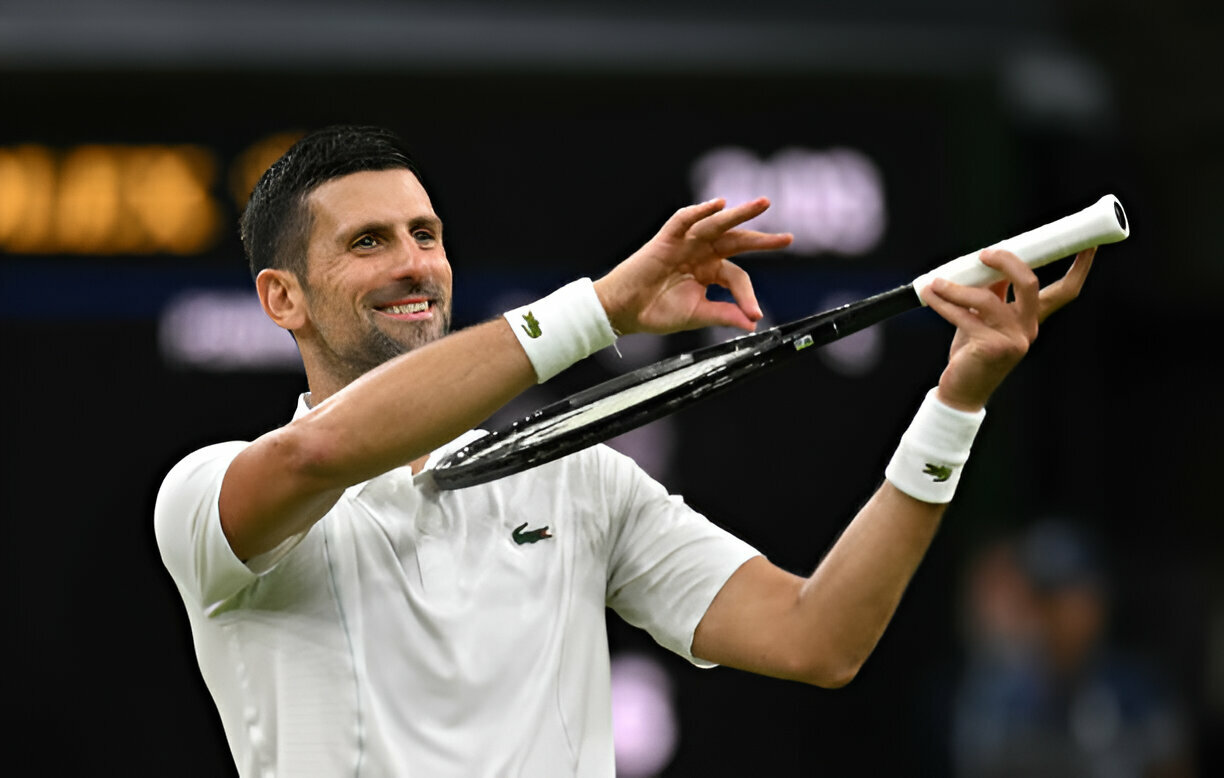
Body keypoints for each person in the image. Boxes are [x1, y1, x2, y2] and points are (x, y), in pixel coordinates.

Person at [154, 125, 1097, 776]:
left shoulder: (578, 481)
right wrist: (599, 308)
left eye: (426, 234)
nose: (414, 263)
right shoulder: (206, 498)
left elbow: (820, 635)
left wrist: (956, 402)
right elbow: (322, 455)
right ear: (282, 299)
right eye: (369, 241)